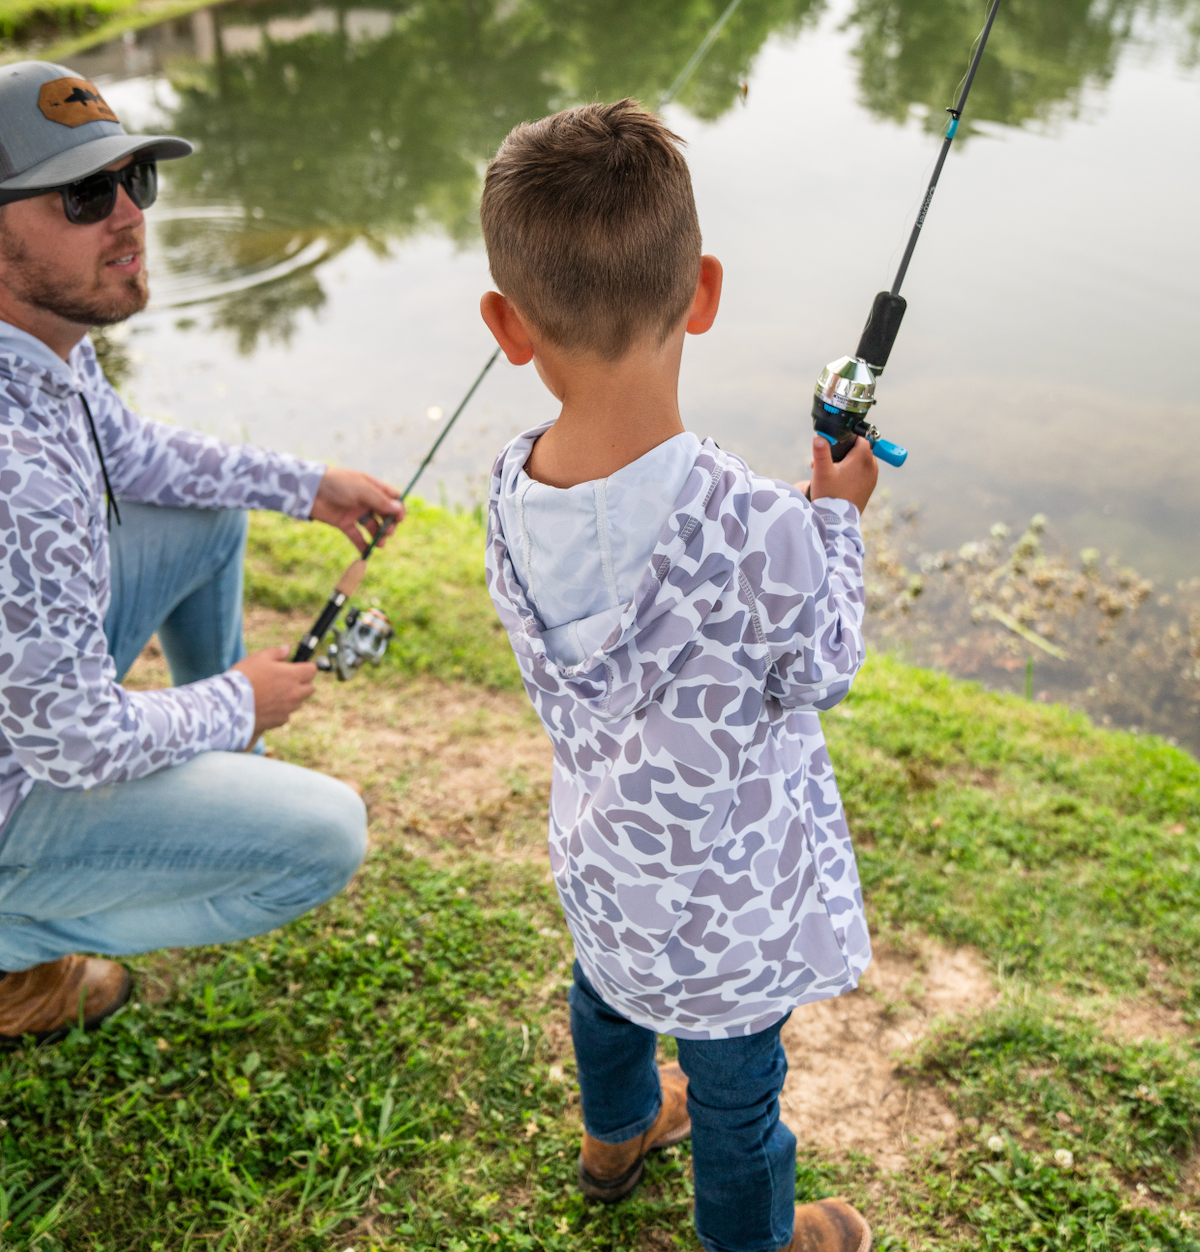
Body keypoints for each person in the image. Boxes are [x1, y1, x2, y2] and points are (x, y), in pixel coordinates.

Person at [479, 100, 877, 1252]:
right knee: (740, 1101)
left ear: (509, 324)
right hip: (727, 917)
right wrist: (837, 522)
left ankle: (615, 1136)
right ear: (702, 291)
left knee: (606, 1001)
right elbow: (825, 663)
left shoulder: (509, 491)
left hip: (603, 863)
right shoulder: (764, 526)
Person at [0, 61, 403, 1043]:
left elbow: (134, 453)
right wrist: (238, 698)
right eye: (85, 196)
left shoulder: (43, 342)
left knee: (208, 512)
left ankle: (222, 765)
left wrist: (307, 485)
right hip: (29, 763)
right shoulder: (15, 466)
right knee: (325, 833)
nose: (129, 217)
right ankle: (18, 956)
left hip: (29, 717)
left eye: (133, 180)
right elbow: (74, 741)